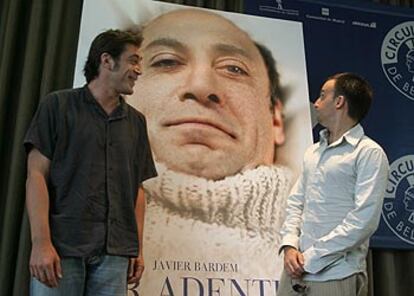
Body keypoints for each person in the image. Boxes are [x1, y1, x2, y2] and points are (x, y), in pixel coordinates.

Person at [126, 8, 307, 294]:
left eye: (233, 68)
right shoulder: (90, 240)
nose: (201, 87)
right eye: (167, 61)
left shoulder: (316, 241)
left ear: (275, 118)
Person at [24, 29, 157, 296]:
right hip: (61, 248)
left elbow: (138, 190)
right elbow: (36, 175)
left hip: (115, 254)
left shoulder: (136, 122)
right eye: (133, 60)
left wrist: (136, 249)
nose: (139, 70)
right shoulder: (57, 106)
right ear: (107, 60)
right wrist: (41, 242)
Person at [278, 73, 389, 296]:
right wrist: (290, 245)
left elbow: (363, 221)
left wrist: (310, 257)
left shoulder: (368, 153)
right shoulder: (313, 152)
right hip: (294, 272)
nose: (316, 103)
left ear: (339, 102)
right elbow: (296, 203)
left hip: (337, 273)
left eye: (322, 96)